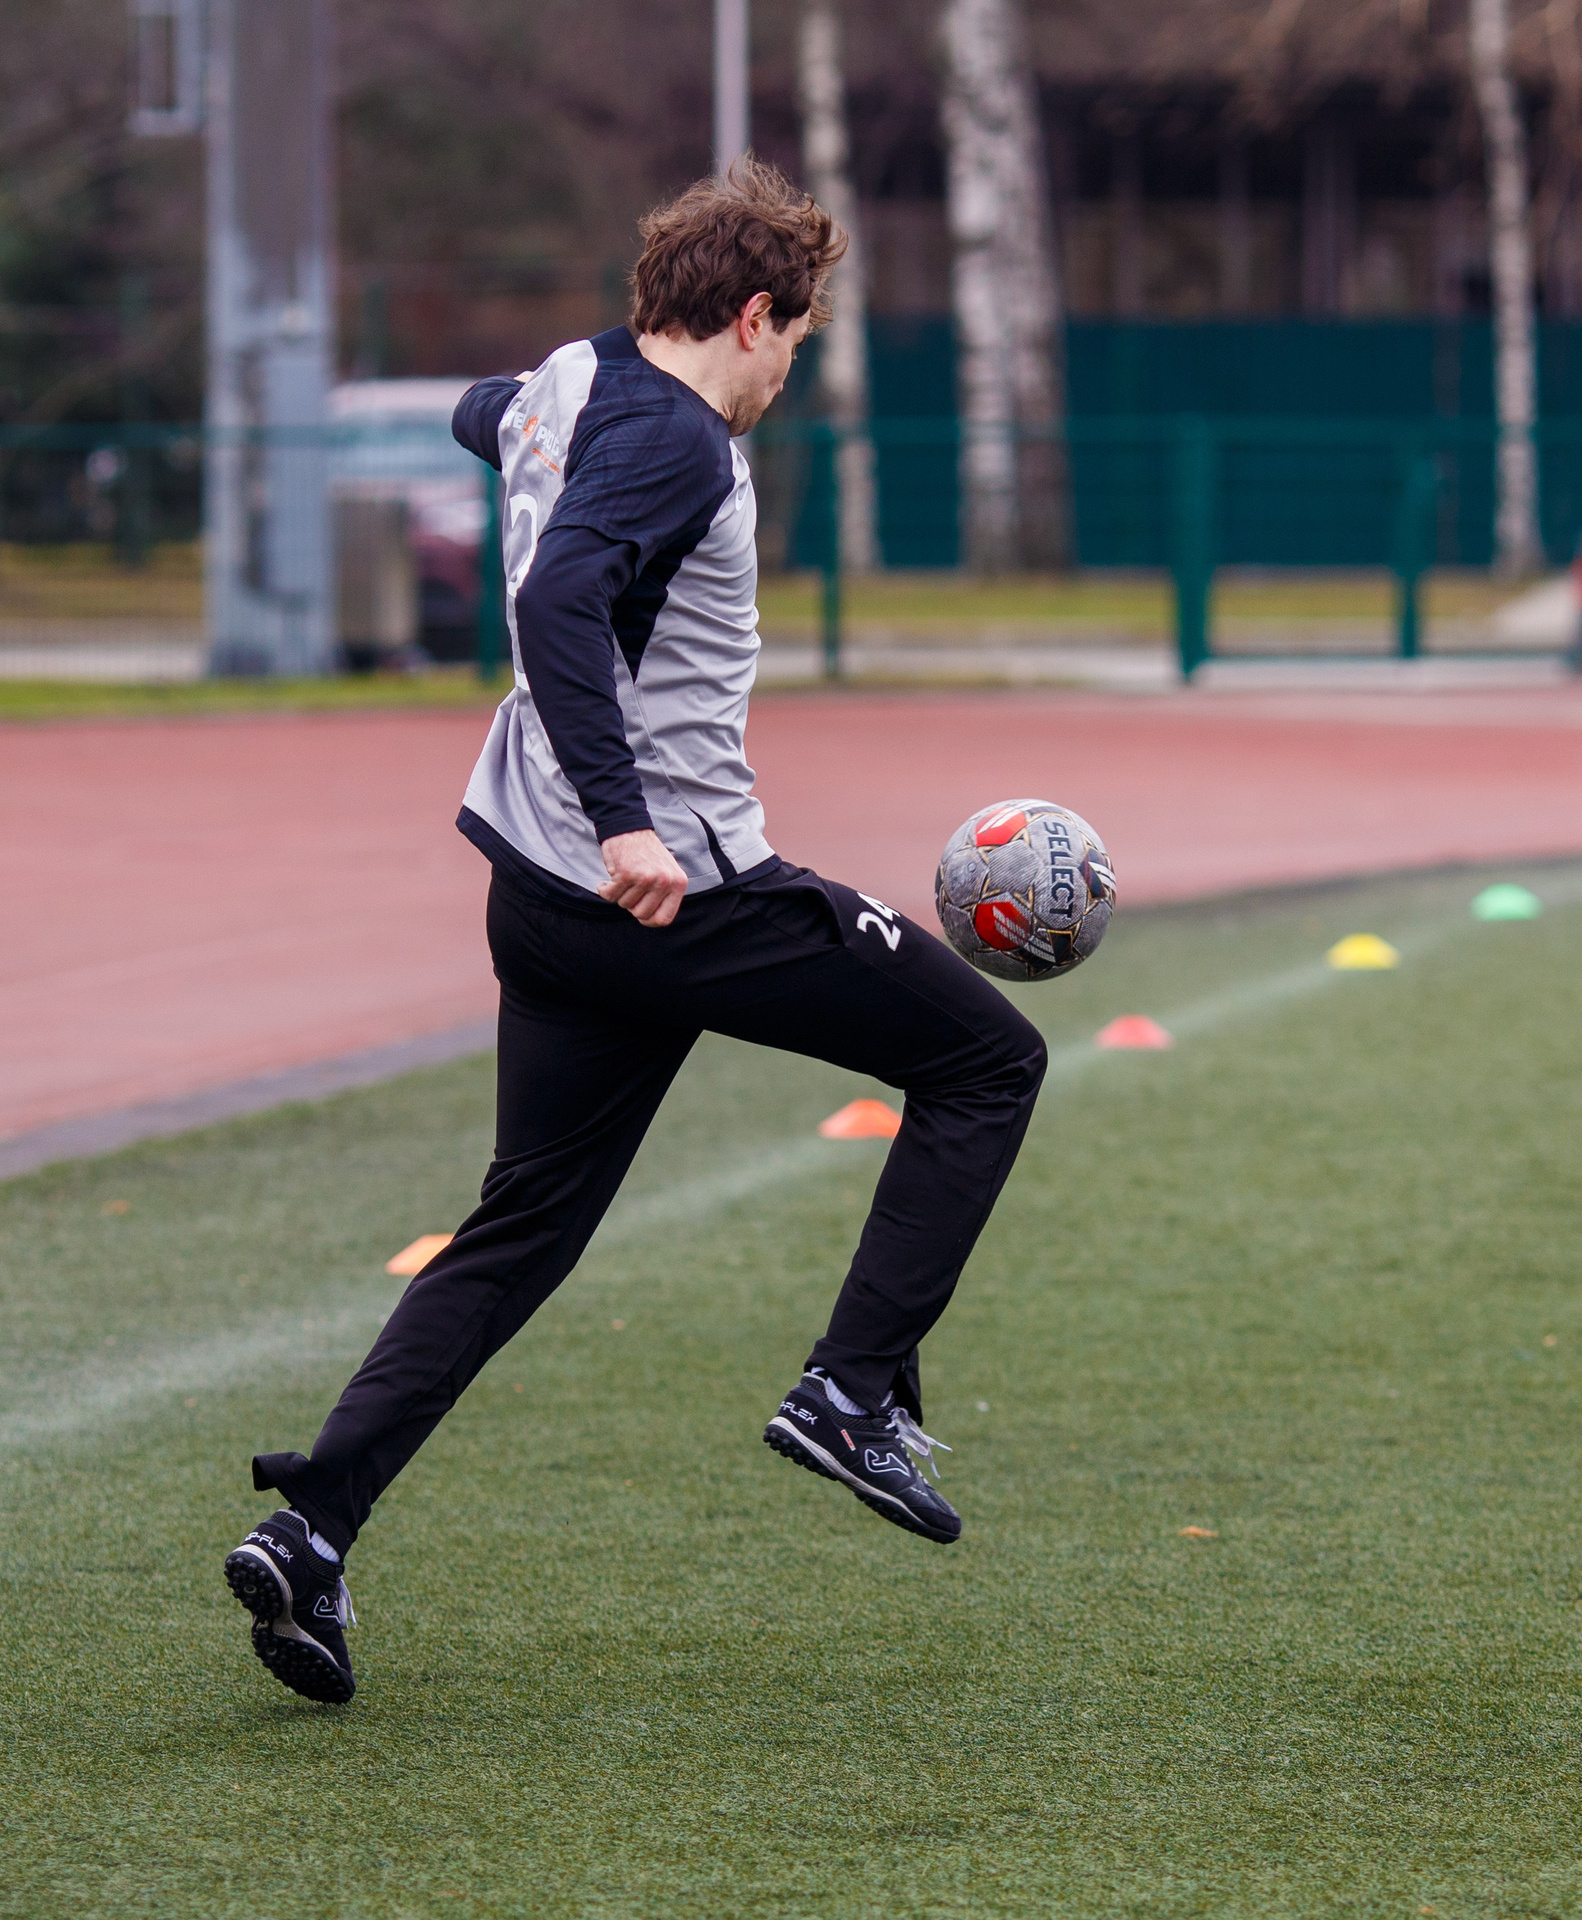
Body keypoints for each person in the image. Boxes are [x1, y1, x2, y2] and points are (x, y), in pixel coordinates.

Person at [220, 162, 1049, 1706]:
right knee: (990, 1061)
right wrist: (625, 821)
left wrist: (525, 431)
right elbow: (559, 604)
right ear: (753, 315)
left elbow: (486, 417)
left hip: (538, 902)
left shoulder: (570, 383)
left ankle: (313, 1528)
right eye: (796, 339)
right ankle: (850, 1392)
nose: (790, 371)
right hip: (674, 898)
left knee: (521, 1226)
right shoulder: (676, 441)